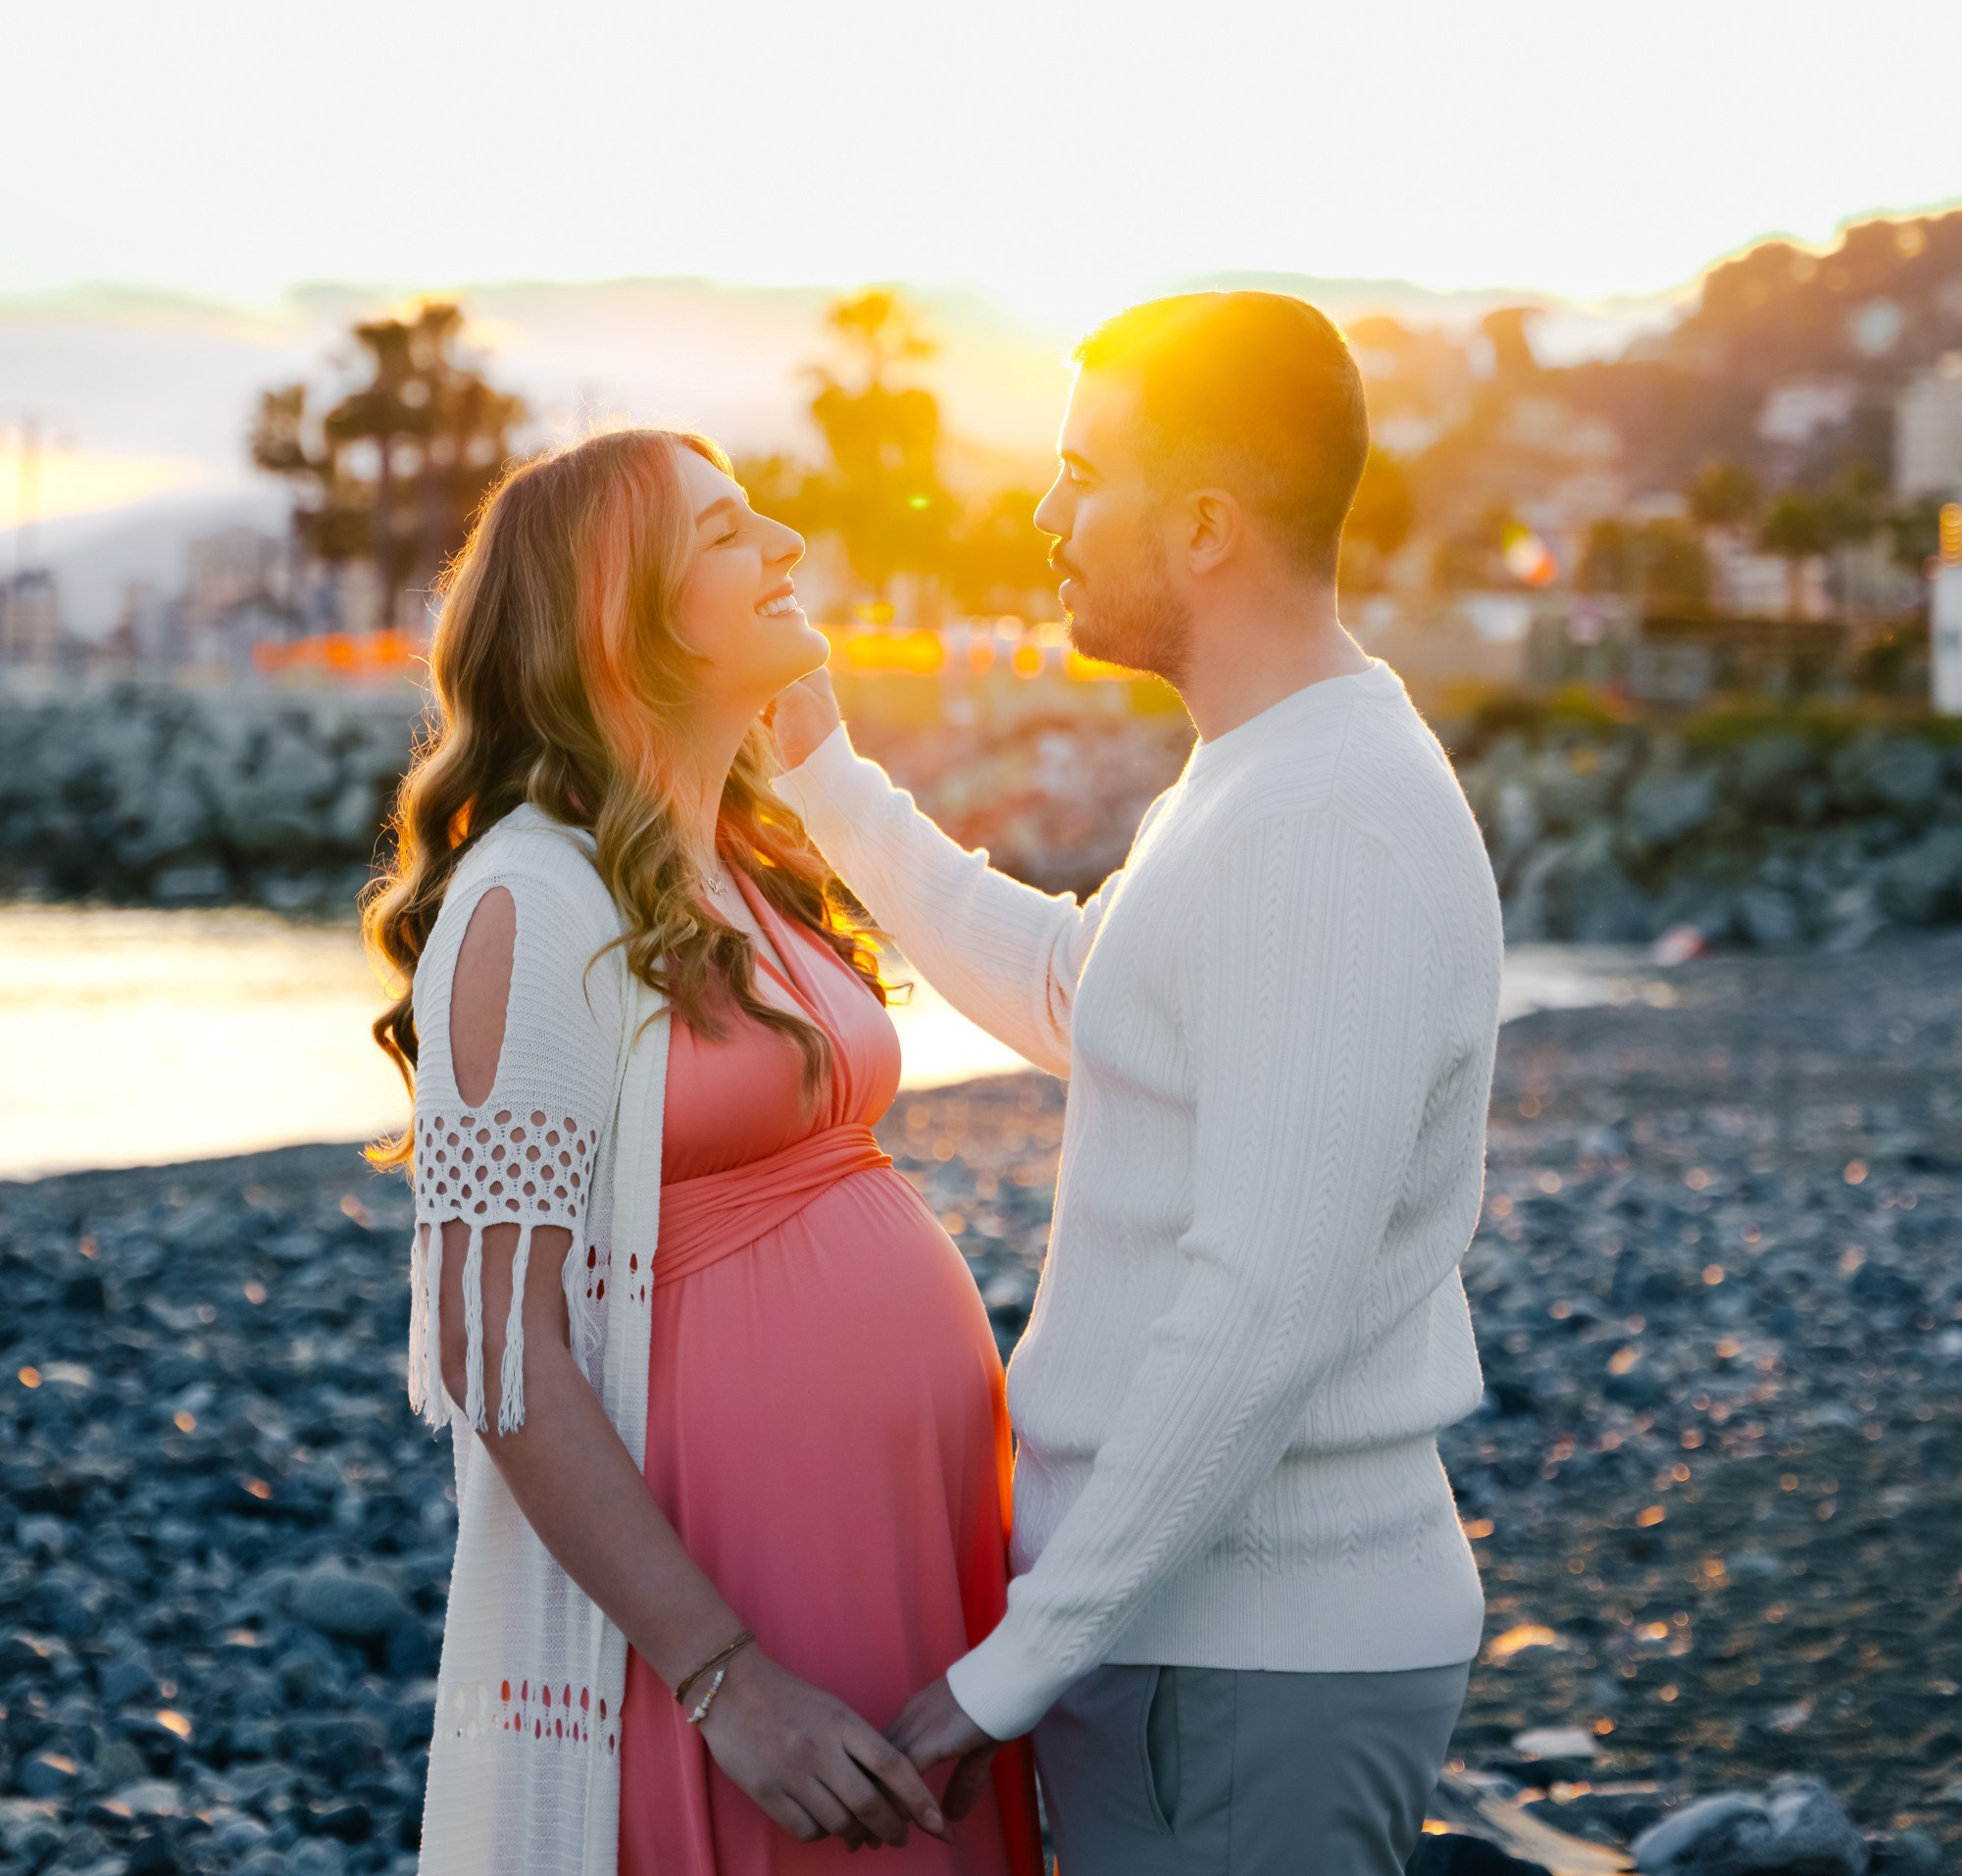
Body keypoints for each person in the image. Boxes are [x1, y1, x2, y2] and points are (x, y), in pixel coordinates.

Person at [769, 291, 1504, 1876]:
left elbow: (1262, 1307)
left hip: (1243, 1658)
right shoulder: (1258, 776)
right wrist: (826, 778)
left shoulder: (1322, 823)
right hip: (1198, 1648)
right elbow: (1077, 990)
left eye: (1080, 472)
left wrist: (1010, 1670)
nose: (1042, 514)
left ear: (1204, 526)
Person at [363, 428, 1043, 1876]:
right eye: (731, 533)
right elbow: (495, 1346)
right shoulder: (525, 904)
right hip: (736, 1575)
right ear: (620, 614)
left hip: (916, 1536)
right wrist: (725, 1675)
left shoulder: (746, 864)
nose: (787, 545)